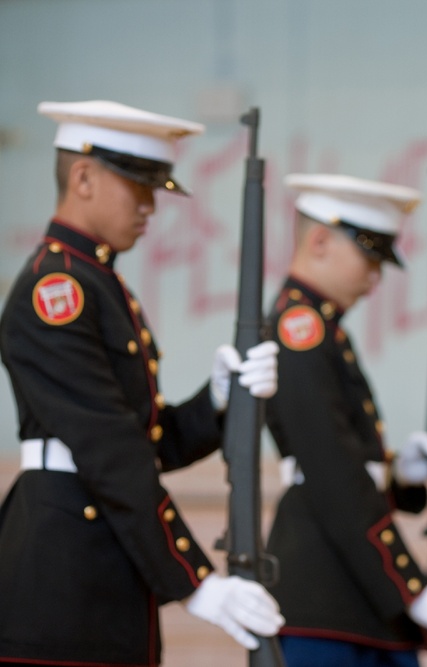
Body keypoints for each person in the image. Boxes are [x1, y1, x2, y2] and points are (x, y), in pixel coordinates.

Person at [0, 100, 285, 666]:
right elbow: (111, 449)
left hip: (102, 557)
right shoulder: (57, 291)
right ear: (82, 176)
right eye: (138, 184)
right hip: (63, 574)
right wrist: (195, 579)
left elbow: (150, 441)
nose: (152, 204)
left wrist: (220, 398)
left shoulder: (99, 283)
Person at [264, 173, 427, 667]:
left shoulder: (324, 329)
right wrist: (413, 588)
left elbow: (349, 460)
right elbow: (331, 471)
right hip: (326, 583)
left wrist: (399, 472)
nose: (375, 278)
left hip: (353, 584)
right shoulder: (299, 329)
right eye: (368, 257)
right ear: (321, 240)